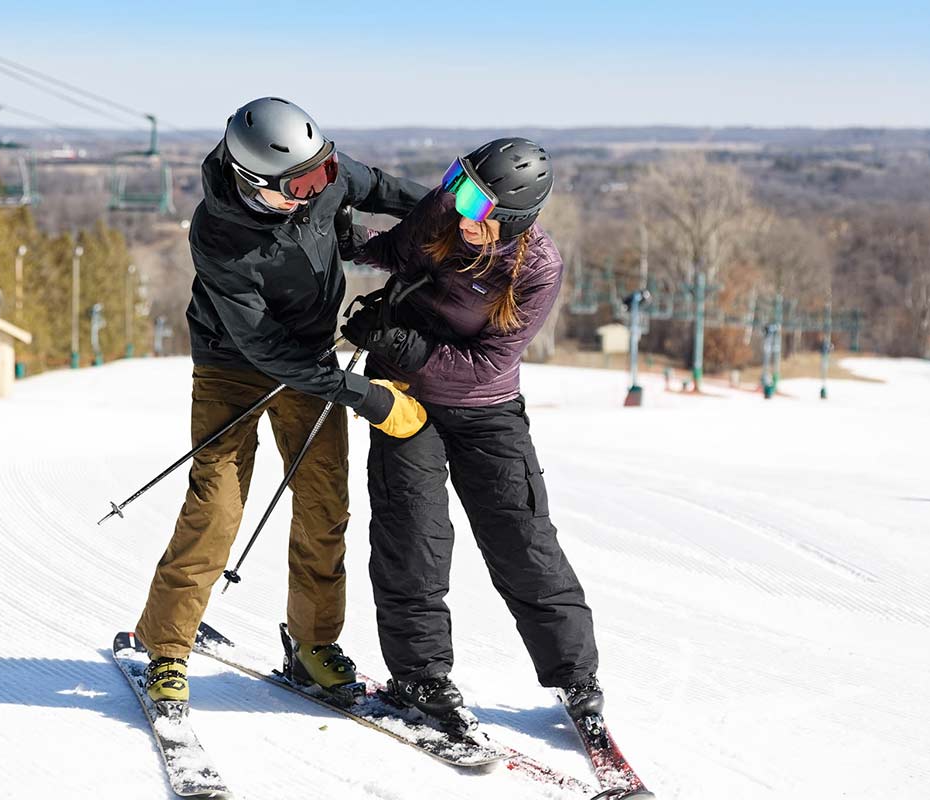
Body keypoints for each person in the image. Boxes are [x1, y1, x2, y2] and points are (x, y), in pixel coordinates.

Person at [135, 97, 429, 710]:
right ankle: (165, 650)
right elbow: (265, 350)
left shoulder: (318, 171)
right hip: (233, 365)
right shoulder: (217, 236)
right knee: (216, 507)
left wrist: (452, 214)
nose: (320, 187)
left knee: (325, 503)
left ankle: (312, 644)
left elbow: (380, 187)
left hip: (311, 355)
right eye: (301, 183)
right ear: (252, 182)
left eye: (323, 171)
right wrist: (366, 397)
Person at [340, 138, 604, 729]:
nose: (461, 209)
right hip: (406, 400)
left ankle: (574, 676)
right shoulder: (448, 211)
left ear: (512, 222)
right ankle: (421, 675)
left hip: (485, 408)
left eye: (479, 206)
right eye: (457, 186)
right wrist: (350, 243)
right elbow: (398, 251)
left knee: (522, 537)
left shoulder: (536, 267)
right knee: (413, 534)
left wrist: (402, 345)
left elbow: (488, 365)